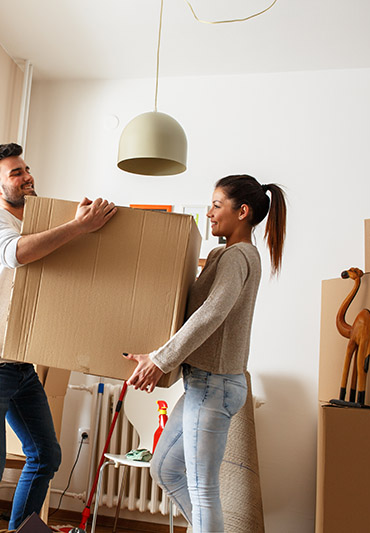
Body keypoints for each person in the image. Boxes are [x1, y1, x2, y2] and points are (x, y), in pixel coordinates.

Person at [0, 143, 117, 533]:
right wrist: (78, 226)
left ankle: (22, 531)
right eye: (15, 173)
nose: (27, 177)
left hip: (19, 364)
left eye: (26, 169)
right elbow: (16, 254)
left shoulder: (32, 226)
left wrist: (78, 227)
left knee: (46, 455)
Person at [123, 175, 286, 533]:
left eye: (216, 204)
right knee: (164, 468)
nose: (209, 213)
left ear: (242, 212)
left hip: (214, 386)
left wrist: (160, 360)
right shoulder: (225, 255)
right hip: (203, 385)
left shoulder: (239, 256)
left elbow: (213, 312)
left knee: (203, 489)